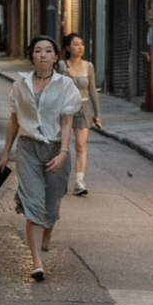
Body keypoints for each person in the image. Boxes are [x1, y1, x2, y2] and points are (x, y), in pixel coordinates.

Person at [0, 35, 81, 280]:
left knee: (51, 204)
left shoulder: (65, 85)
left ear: (55, 56)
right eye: (38, 50)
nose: (43, 55)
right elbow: (14, 120)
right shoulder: (20, 84)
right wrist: (5, 154)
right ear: (31, 55)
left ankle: (46, 237)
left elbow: (67, 121)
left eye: (48, 51)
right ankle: (36, 263)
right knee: (33, 203)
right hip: (28, 148)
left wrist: (63, 152)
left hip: (55, 148)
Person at [59, 32, 101, 195]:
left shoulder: (88, 66)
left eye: (82, 44)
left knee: (80, 145)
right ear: (68, 48)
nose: (80, 47)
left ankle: (79, 182)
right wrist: (65, 76)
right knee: (61, 145)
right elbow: (56, 87)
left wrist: (97, 113)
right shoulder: (61, 65)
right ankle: (59, 180)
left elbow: (92, 90)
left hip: (83, 108)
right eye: (75, 45)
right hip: (65, 108)